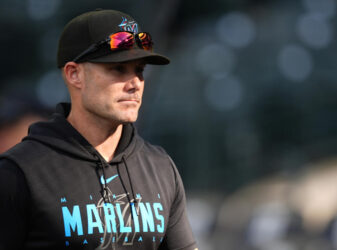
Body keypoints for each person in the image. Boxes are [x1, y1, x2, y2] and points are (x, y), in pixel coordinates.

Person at [0, 9, 198, 250]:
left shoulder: (161, 168)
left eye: (140, 71)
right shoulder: (19, 173)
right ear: (74, 74)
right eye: (118, 69)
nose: (135, 83)